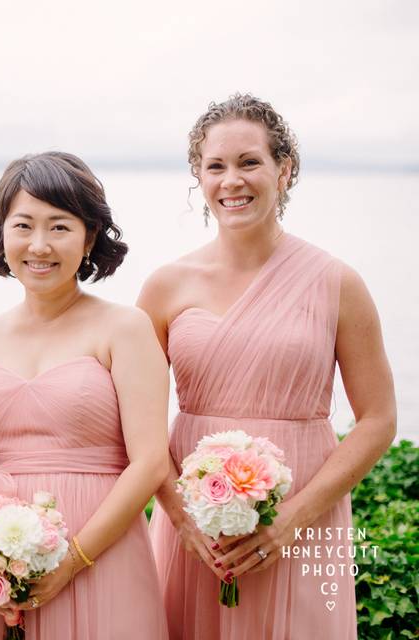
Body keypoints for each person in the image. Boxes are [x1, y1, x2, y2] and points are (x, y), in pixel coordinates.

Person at [139, 94, 397, 639]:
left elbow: (377, 419)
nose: (232, 180)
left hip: (303, 519)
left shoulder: (338, 282)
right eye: (216, 166)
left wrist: (290, 521)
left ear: (284, 169)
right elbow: (133, 420)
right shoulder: (165, 287)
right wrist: (183, 519)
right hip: (196, 529)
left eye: (249, 162)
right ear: (199, 177)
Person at [0, 151, 170, 639]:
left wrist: (73, 560)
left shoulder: (125, 328)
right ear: (2, 232)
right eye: (23, 226)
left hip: (106, 553)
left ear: (89, 236)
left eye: (59, 227)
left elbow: (151, 463)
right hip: (10, 565)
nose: (39, 245)